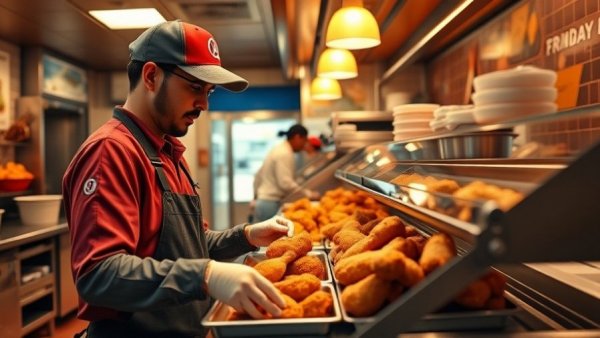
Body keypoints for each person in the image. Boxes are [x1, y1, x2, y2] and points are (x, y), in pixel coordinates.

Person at [62, 20, 294, 338]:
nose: (204, 104)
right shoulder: (112, 152)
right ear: (152, 76)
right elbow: (99, 274)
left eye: (209, 92)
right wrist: (205, 275)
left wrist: (248, 236)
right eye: (195, 87)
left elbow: (190, 247)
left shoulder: (169, 152)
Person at [252, 124, 319, 222]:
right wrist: (309, 194)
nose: (304, 145)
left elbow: (258, 174)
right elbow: (285, 183)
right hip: (270, 204)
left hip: (264, 202)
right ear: (297, 137)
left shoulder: (279, 149)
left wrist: (255, 196)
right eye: (304, 141)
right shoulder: (284, 153)